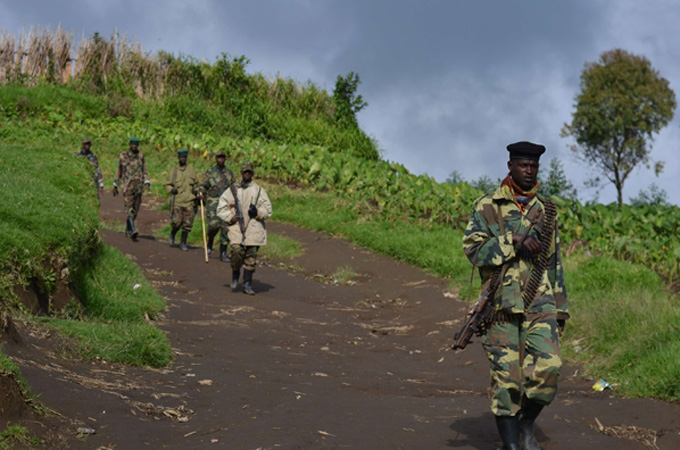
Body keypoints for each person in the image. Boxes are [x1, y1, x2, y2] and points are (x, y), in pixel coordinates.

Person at [461, 141, 569, 450]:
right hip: (500, 304)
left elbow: (553, 261)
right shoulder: (488, 205)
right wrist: (513, 241)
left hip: (540, 301)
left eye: (534, 166)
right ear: (510, 166)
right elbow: (473, 250)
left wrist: (561, 309)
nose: (529, 171)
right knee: (506, 381)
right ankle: (510, 444)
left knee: (549, 368)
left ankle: (525, 423)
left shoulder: (546, 209)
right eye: (523, 165)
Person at [217, 162, 272, 295]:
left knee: (250, 257)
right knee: (236, 251)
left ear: (252, 174)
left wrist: (257, 212)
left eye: (249, 172)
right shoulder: (233, 190)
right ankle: (235, 273)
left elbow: (268, 210)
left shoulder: (259, 190)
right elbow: (221, 207)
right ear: (241, 173)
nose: (247, 174)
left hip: (254, 227)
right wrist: (231, 217)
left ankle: (247, 283)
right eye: (245, 172)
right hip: (237, 226)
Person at [197, 150, 235, 261]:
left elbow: (234, 188)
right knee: (213, 226)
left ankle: (223, 253)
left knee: (225, 228)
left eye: (223, 157)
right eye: (219, 157)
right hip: (213, 203)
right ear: (216, 159)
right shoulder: (210, 172)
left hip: (226, 205)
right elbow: (202, 185)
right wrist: (200, 193)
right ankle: (210, 240)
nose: (221, 159)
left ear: (225, 159)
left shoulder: (229, 173)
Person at [113, 137, 150, 240]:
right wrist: (115, 185)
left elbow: (144, 170)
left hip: (138, 187)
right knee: (129, 208)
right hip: (127, 186)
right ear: (130, 144)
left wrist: (147, 182)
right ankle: (133, 229)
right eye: (133, 144)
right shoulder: (123, 156)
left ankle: (128, 229)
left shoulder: (141, 156)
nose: (134, 146)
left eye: (136, 144)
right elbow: (119, 170)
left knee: (135, 210)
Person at [164, 148, 200, 251]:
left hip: (189, 201)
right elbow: (167, 184)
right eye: (181, 157)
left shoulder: (191, 169)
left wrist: (198, 192)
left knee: (187, 224)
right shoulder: (174, 171)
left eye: (184, 157)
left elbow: (197, 184)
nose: (183, 159)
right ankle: (173, 233)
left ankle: (183, 242)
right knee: (177, 222)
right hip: (178, 201)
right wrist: (172, 189)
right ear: (178, 158)